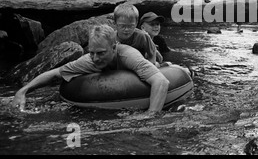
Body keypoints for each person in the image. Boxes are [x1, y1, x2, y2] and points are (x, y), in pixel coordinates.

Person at [12, 24, 170, 115]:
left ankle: (167, 65)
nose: (95, 58)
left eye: (101, 53)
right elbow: (55, 74)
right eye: (92, 52)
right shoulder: (89, 60)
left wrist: (150, 117)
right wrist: (23, 91)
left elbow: (161, 82)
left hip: (141, 67)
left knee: (157, 69)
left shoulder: (129, 56)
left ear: (114, 48)